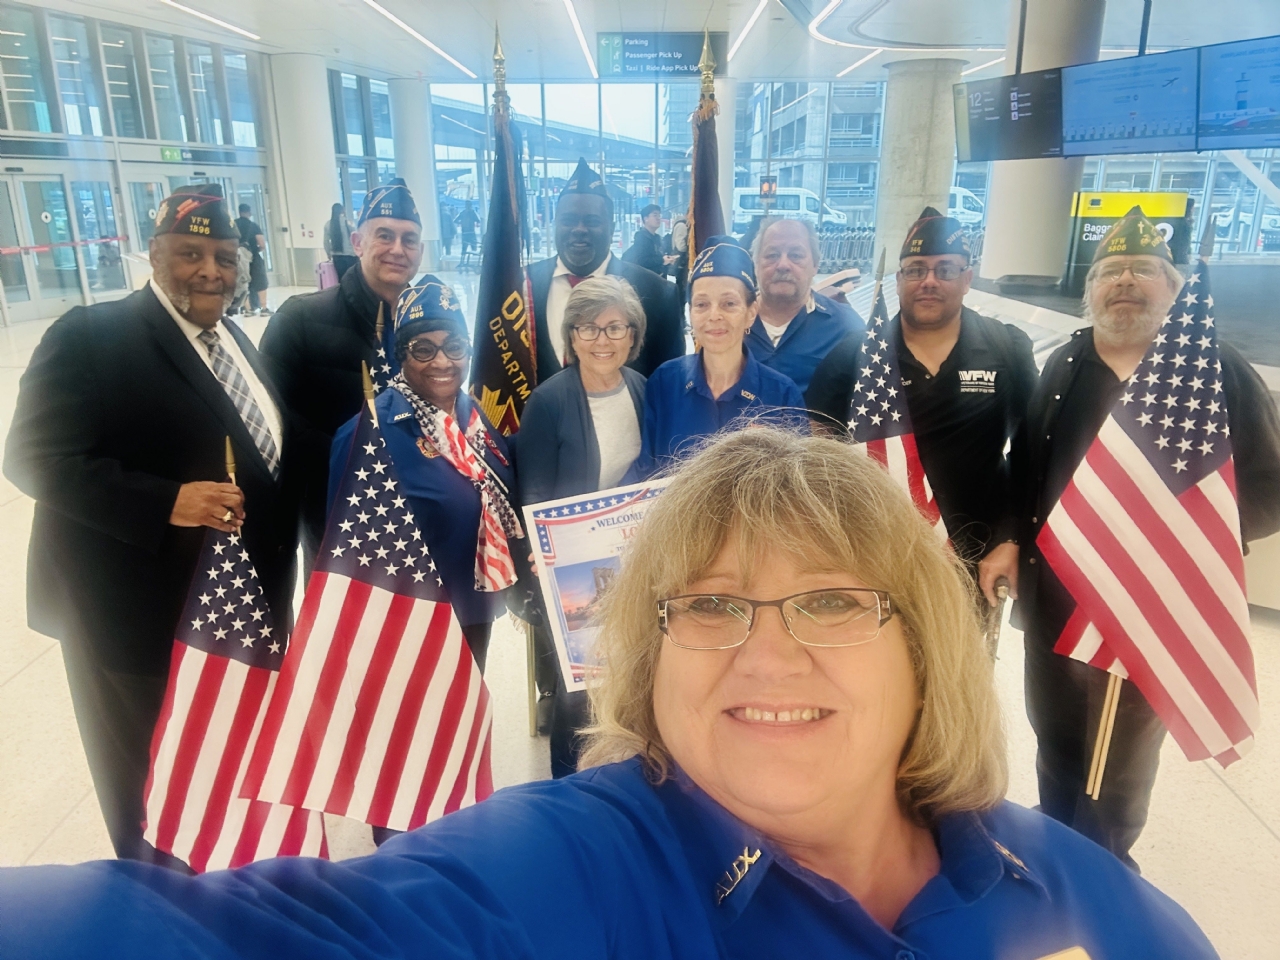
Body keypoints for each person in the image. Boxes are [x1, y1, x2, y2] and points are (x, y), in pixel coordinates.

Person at [0, 428, 1219, 960]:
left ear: (926, 652)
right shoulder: (568, 867)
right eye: (710, 605)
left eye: (831, 601)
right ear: (646, 659)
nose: (765, 651)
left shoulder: (1055, 880)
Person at [2, 183, 297, 867]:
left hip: (229, 612)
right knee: (149, 782)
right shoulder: (90, 336)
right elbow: (32, 457)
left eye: (225, 257)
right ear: (154, 253)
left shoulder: (233, 339)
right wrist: (166, 500)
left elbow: (268, 453)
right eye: (190, 253)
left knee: (218, 771)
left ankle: (223, 885)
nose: (210, 271)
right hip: (133, 618)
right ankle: (156, 903)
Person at [1014, 206, 1280, 869]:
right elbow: (1027, 473)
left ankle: (1108, 873)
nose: (1125, 281)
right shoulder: (1065, 365)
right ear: (1091, 290)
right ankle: (1058, 858)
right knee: (1055, 737)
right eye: (1110, 271)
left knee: (1123, 759)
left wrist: (1186, 543)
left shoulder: (1214, 369)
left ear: (1174, 288)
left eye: (1143, 269)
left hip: (1154, 601)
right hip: (1057, 599)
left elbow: (1269, 485)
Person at [807, 206, 1038, 601]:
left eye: (944, 269)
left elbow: (1031, 455)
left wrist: (1012, 537)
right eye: (916, 270)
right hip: (877, 558)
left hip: (977, 561)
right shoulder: (853, 355)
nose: (929, 281)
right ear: (899, 280)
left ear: (967, 279)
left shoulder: (1006, 348)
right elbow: (817, 454)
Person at [331, 277, 520, 676]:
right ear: (401, 355)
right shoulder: (370, 433)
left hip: (473, 605)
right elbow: (345, 549)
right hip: (407, 621)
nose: (442, 362)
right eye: (423, 349)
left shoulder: (473, 417)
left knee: (467, 705)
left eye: (455, 346)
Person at [515, 276, 647, 777]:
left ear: (633, 335)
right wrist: (539, 545)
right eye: (588, 328)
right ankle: (567, 788)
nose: (601, 340)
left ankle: (619, 780)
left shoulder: (642, 389)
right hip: (570, 568)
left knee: (628, 680)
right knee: (579, 692)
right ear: (571, 336)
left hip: (632, 561)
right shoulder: (548, 401)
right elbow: (533, 489)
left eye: (614, 327)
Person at [261, 177, 423, 570]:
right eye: (384, 235)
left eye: (409, 239)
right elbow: (275, 427)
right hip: (336, 520)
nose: (397, 249)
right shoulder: (300, 320)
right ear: (357, 242)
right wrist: (359, 460)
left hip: (419, 514)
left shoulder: (428, 324)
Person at [630, 236, 805, 478]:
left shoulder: (782, 397)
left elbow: (797, 484)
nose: (714, 316)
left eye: (729, 303)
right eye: (701, 304)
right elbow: (645, 473)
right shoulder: (663, 383)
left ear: (751, 313)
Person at [528, 158, 684, 381]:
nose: (579, 229)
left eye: (592, 221)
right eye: (568, 220)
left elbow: (670, 383)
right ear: (555, 225)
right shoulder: (522, 287)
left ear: (611, 228)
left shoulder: (659, 295)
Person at [745, 217, 864, 395]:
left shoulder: (846, 327)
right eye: (772, 255)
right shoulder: (730, 321)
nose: (783, 265)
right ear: (755, 264)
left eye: (796, 255)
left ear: (815, 265)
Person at [235, 202, 269, 315]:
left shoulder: (233, 225)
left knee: (243, 282)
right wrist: (256, 250)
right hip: (253, 257)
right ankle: (264, 308)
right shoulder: (253, 225)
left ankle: (247, 309)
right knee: (260, 281)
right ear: (249, 212)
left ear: (239, 212)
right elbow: (261, 243)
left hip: (237, 258)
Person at [621, 203, 667, 275]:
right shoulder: (641, 238)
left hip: (656, 277)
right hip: (645, 278)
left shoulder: (657, 238)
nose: (658, 218)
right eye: (655, 215)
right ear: (646, 219)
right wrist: (662, 260)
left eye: (659, 215)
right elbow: (642, 261)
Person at [323, 201, 358, 279]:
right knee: (353, 278)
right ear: (342, 210)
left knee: (341, 279)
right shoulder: (348, 222)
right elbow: (356, 236)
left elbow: (326, 242)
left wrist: (328, 254)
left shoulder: (328, 224)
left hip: (337, 256)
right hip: (351, 255)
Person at [458, 199, 480, 269]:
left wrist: (461, 222)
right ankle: (474, 263)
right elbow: (478, 220)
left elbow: (456, 220)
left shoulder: (462, 213)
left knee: (464, 249)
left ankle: (462, 262)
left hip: (464, 233)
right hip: (471, 232)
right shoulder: (472, 212)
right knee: (473, 247)